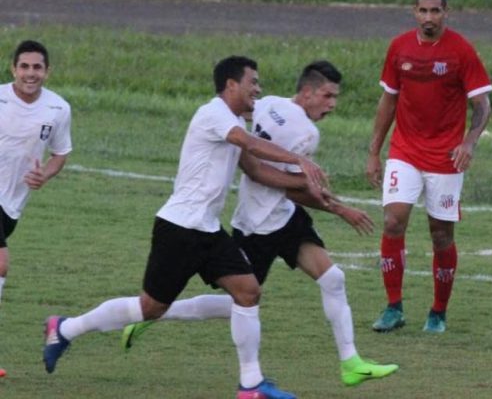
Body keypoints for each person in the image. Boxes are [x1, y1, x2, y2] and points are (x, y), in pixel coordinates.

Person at [42, 56, 327, 399]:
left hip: (207, 229)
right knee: (150, 308)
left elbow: (255, 170)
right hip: (180, 228)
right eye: (252, 82)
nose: (258, 89)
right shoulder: (214, 114)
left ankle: (251, 385)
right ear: (231, 85)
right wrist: (298, 159)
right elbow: (250, 144)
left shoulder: (235, 121)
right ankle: (66, 328)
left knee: (248, 291)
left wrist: (312, 188)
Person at [119, 61, 400, 387]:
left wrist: (326, 199)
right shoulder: (307, 134)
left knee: (333, 278)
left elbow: (272, 165)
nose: (332, 105)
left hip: (285, 218)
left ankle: (351, 363)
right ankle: (157, 312)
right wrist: (337, 208)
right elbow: (279, 182)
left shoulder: (268, 104)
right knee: (238, 302)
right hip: (257, 225)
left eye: (335, 97)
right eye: (327, 96)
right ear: (307, 93)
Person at [366, 0, 492, 333]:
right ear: (414, 11)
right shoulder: (399, 47)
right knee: (393, 221)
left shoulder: (461, 51)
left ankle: (438, 312)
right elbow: (388, 100)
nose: (429, 17)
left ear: (446, 12)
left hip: (446, 157)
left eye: (435, 11)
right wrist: (374, 151)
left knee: (440, 235)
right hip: (404, 150)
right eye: (423, 10)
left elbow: (482, 105)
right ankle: (393, 307)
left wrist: (469, 142)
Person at [1, 40, 72, 378]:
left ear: (47, 71)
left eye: (37, 67)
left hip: (11, 204)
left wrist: (44, 174)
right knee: (1, 263)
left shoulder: (58, 108)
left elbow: (60, 154)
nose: (30, 73)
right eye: (24, 66)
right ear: (13, 68)